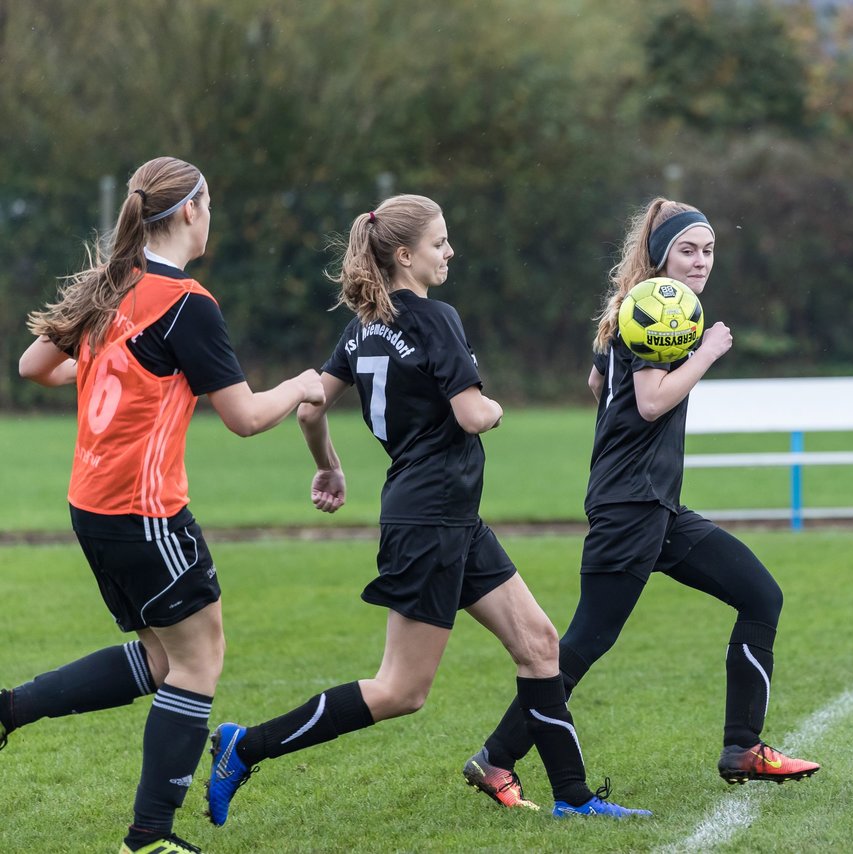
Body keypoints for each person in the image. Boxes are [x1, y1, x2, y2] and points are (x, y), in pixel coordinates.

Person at [204, 193, 650, 828]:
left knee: (539, 644)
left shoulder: (360, 327)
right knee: (400, 691)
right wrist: (494, 408)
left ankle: (574, 798)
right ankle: (244, 746)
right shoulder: (436, 318)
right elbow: (473, 415)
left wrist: (328, 465)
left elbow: (310, 407)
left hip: (445, 516)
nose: (450, 252)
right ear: (405, 254)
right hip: (431, 519)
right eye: (440, 243)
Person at [9, 156, 325, 854]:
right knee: (198, 660)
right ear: (190, 210)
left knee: (161, 658)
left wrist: (101, 366)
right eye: (209, 204)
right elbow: (243, 417)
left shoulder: (112, 283)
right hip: (143, 510)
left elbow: (33, 366)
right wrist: (300, 384)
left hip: (90, 504)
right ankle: (148, 837)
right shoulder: (188, 303)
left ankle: (9, 710)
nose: (210, 216)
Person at [461, 197, 820, 808]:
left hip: (654, 505)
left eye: (709, 249)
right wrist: (706, 352)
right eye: (689, 249)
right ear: (660, 255)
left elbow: (598, 384)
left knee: (760, 594)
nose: (702, 260)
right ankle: (496, 758)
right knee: (583, 641)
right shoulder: (655, 309)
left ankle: (743, 747)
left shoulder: (643, 308)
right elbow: (651, 401)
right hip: (631, 506)